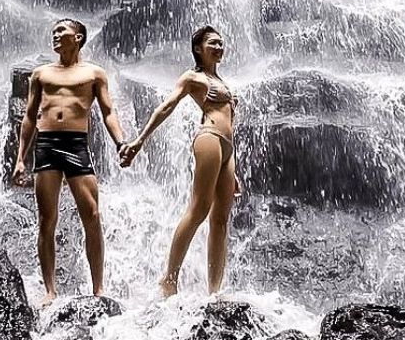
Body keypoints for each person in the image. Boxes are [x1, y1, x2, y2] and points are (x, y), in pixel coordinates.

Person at [120, 25, 241, 298]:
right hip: (208, 138)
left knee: (220, 220)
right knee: (199, 209)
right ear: (198, 48)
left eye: (221, 43)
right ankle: (169, 279)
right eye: (213, 43)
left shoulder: (223, 82)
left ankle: (214, 291)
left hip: (227, 149)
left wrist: (233, 169)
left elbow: (231, 123)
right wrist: (140, 141)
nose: (219, 47)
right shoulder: (192, 77)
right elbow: (166, 107)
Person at [13, 19, 126, 307]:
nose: (55, 35)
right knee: (46, 220)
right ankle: (50, 290)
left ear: (78, 37)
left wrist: (121, 143)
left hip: (77, 145)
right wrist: (20, 159)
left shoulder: (94, 73)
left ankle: (98, 288)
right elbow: (29, 117)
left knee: (92, 215)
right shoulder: (41, 74)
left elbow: (108, 112)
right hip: (47, 144)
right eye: (53, 31)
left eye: (61, 31)